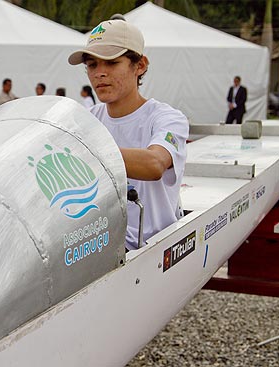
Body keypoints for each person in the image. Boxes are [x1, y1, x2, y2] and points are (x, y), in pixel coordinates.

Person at [68, 19, 189, 251]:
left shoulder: (167, 118)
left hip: (151, 248)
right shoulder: (86, 119)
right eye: (92, 65)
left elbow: (154, 165)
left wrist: (82, 151)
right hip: (99, 245)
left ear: (140, 65)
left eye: (112, 63)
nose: (100, 73)